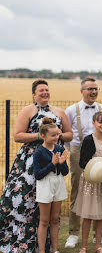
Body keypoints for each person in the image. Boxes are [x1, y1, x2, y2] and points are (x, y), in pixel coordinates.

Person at [0, 79, 72, 253]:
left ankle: (48, 247)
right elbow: (17, 136)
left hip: (53, 158)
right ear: (34, 94)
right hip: (29, 163)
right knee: (25, 201)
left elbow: (69, 134)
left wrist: (58, 135)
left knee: (47, 205)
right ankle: (20, 242)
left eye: (47, 90)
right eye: (41, 90)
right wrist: (41, 137)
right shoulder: (28, 110)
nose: (45, 93)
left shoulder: (59, 112)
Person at [65, 77, 102, 249]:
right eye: (90, 89)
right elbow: (67, 134)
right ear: (82, 91)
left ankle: (98, 235)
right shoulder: (71, 110)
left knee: (100, 192)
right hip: (79, 152)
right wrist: (72, 152)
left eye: (96, 89)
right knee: (79, 191)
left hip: (101, 152)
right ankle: (73, 233)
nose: (93, 92)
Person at [73, 112, 102, 253]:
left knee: (100, 215)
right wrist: (96, 164)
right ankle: (84, 247)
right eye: (100, 122)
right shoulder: (88, 140)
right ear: (93, 123)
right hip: (90, 181)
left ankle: (98, 246)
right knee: (88, 214)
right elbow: (82, 162)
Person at [34, 117, 69, 253]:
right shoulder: (39, 152)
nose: (56, 137)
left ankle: (55, 250)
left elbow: (65, 172)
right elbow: (38, 174)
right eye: (53, 135)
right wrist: (52, 164)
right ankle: (42, 251)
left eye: (57, 135)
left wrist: (61, 163)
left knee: (55, 219)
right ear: (43, 136)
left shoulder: (60, 148)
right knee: (44, 220)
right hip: (45, 185)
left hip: (58, 183)